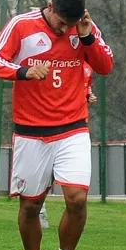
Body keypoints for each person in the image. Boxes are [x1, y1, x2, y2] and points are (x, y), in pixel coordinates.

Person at [0, 0, 114, 250]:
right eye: (61, 22)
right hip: (31, 132)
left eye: (71, 23)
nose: (64, 28)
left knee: (77, 199)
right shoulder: (21, 25)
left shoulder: (83, 28)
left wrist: (86, 36)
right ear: (50, 6)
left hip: (72, 127)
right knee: (30, 207)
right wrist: (23, 71)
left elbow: (105, 66)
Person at [38, 63, 95, 230]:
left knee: (76, 185)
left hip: (77, 127)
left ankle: (76, 217)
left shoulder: (88, 67)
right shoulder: (59, 61)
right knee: (45, 176)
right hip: (47, 126)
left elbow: (84, 89)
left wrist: (88, 96)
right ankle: (39, 210)